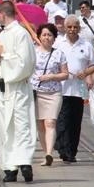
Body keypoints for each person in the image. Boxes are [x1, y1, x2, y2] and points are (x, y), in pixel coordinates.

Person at [0, 1, 37, 183]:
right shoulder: (3, 34)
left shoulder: (21, 34)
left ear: (2, 14)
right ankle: (10, 167)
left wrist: (3, 54)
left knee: (21, 125)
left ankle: (24, 162)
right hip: (3, 89)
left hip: (18, 88)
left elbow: (25, 63)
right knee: (5, 128)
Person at [55, 15, 94, 163]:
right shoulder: (58, 43)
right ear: (65, 28)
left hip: (79, 90)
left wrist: (85, 73)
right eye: (69, 27)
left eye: (75, 27)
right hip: (61, 88)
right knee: (62, 120)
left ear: (79, 28)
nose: (72, 30)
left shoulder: (86, 45)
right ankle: (62, 148)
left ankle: (72, 151)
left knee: (75, 122)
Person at [31, 23, 68, 166]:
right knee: (40, 125)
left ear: (54, 38)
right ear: (39, 37)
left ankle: (49, 153)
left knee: (50, 122)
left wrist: (51, 76)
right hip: (36, 92)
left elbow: (65, 74)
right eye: (44, 35)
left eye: (50, 35)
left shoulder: (59, 54)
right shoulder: (33, 52)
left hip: (53, 93)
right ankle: (45, 152)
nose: (47, 37)